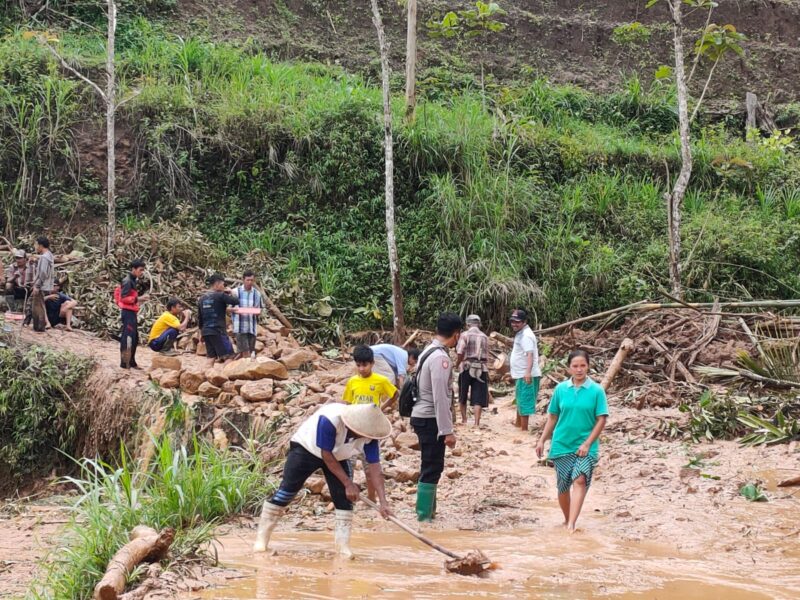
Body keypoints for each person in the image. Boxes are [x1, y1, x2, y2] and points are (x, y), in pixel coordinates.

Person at [253, 403, 393, 558]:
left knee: (344, 500)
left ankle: (342, 547)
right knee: (286, 492)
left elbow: (374, 466)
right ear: (352, 425)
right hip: (307, 449)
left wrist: (383, 501)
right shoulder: (330, 420)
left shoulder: (370, 434)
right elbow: (326, 455)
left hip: (339, 456)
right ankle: (261, 540)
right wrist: (348, 483)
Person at [536, 350, 609, 533]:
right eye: (575, 366)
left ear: (588, 366)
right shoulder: (561, 389)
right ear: (569, 368)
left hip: (586, 446)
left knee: (580, 479)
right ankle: (567, 519)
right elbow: (553, 417)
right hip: (562, 444)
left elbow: (601, 419)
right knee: (562, 486)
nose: (579, 370)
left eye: (582, 365)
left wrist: (587, 443)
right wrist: (542, 439)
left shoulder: (597, 391)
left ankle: (571, 525)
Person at [411, 311, 462, 521]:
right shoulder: (441, 358)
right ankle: (424, 517)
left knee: (430, 464)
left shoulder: (427, 351)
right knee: (432, 466)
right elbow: (441, 397)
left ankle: (429, 512)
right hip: (430, 418)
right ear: (456, 334)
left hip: (421, 415)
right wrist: (446, 431)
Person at [342, 345, 398, 502]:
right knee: (349, 464)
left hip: (370, 429)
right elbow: (347, 402)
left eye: (364, 365)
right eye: (358, 365)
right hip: (353, 428)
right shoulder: (352, 381)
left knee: (370, 467)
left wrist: (382, 409)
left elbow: (394, 394)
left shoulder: (380, 381)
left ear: (372, 363)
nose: (361, 368)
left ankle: (371, 499)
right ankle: (347, 498)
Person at [455, 314, 489, 428]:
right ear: (479, 324)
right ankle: (476, 423)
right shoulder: (484, 336)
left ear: (467, 324)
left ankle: (464, 420)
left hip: (466, 366)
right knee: (478, 396)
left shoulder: (464, 335)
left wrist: (457, 363)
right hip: (481, 368)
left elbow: (460, 352)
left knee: (462, 393)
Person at [509, 308, 541, 432]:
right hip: (521, 374)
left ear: (524, 322)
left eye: (517, 322)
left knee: (525, 401)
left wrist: (527, 372)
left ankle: (524, 430)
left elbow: (529, 354)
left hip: (526, 374)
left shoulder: (526, 335)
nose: (514, 324)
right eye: (512, 321)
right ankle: (518, 425)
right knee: (520, 399)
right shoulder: (522, 333)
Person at [198, 273, 238, 367]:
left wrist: (200, 333)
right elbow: (235, 301)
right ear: (217, 284)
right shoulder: (220, 295)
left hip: (206, 332)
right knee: (229, 356)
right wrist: (231, 292)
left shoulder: (202, 298)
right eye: (223, 284)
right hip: (218, 331)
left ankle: (205, 376)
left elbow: (200, 318)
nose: (224, 287)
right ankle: (226, 378)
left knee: (211, 357)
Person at [116, 259, 149, 369]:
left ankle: (131, 361)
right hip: (128, 312)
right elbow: (124, 298)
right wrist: (139, 298)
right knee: (128, 337)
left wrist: (138, 300)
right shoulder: (128, 281)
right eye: (140, 270)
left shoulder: (132, 280)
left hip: (131, 312)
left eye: (143, 270)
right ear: (133, 269)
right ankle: (125, 363)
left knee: (134, 337)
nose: (142, 272)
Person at [232, 270, 263, 359]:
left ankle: (238, 369)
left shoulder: (257, 294)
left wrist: (256, 311)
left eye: (252, 280)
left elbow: (259, 310)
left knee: (247, 352)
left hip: (251, 327)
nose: (250, 282)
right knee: (246, 353)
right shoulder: (235, 292)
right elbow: (228, 308)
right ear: (243, 280)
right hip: (240, 326)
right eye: (248, 280)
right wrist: (235, 310)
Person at [30, 237, 55, 332]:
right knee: (40, 304)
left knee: (38, 305)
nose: (35, 247)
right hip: (46, 283)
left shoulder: (44, 257)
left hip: (42, 284)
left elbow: (43, 272)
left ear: (40, 245)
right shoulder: (49, 255)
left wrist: (37, 285)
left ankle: (39, 326)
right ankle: (39, 326)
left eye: (36, 245)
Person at [4, 249, 34, 313]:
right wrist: (14, 277)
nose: (18, 260)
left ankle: (30, 309)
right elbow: (8, 280)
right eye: (17, 258)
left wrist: (33, 284)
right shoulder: (12, 267)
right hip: (17, 288)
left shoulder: (31, 266)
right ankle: (12, 309)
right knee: (8, 285)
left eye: (20, 258)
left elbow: (36, 277)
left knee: (36, 288)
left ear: (25, 259)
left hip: (28, 288)